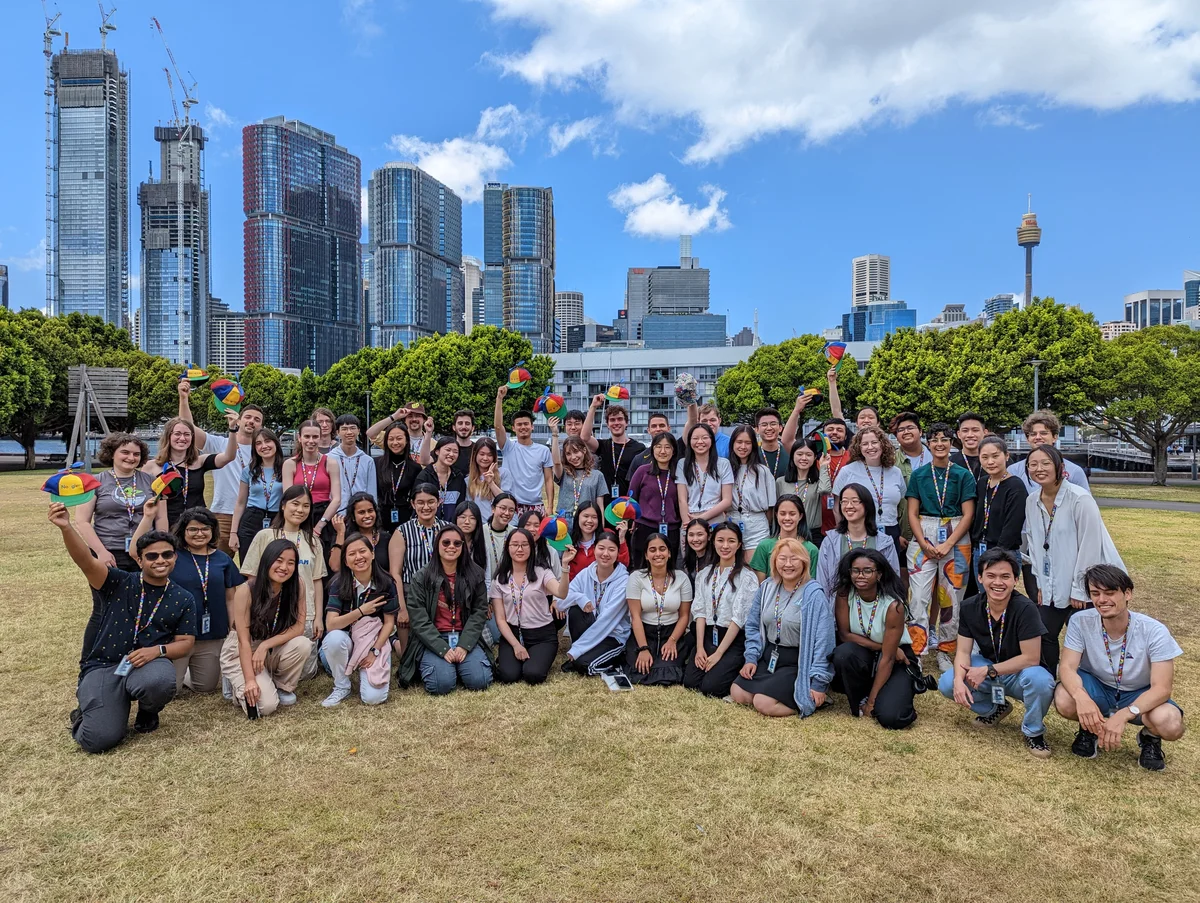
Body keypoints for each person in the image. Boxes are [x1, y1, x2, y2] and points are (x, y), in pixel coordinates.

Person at [52, 502, 196, 753]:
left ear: (175, 557)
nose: (160, 560)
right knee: (98, 740)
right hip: (105, 666)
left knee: (160, 680)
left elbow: (186, 643)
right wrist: (66, 527)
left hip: (148, 664)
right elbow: (86, 561)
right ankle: (88, 709)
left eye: (167, 554)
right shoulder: (116, 582)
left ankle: (147, 711)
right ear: (139, 560)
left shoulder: (183, 598)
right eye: (151, 556)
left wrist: (157, 651)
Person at [1055, 565, 1186, 771]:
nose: (1102, 600)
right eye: (1095, 593)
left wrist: (1125, 714)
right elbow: (1067, 667)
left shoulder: (1154, 631)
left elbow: (1162, 688)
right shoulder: (1080, 621)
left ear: (1127, 594)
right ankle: (1089, 729)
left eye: (1110, 592)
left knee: (1170, 724)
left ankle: (1150, 737)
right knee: (1064, 698)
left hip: (1137, 693)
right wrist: (1082, 698)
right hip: (1097, 686)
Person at [938, 549, 1054, 758]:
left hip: (1020, 673)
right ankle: (994, 709)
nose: (998, 583)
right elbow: (963, 652)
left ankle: (1033, 732)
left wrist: (988, 670)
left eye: (1005, 576)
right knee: (947, 682)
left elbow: (1031, 658)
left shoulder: (1026, 608)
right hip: (988, 667)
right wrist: (958, 680)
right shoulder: (969, 607)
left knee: (1041, 680)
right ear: (980, 578)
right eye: (991, 576)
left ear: (1015, 580)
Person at [1023, 444, 1125, 673]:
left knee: (1089, 638)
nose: (1039, 468)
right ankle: (1048, 680)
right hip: (1051, 582)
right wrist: (1040, 583)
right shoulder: (1031, 501)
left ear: (1060, 467)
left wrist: (1081, 589)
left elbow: (1091, 545)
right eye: (1033, 464)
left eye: (1046, 463)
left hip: (1084, 585)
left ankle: (1092, 680)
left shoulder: (1080, 498)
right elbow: (1035, 545)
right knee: (1045, 634)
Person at [133, 505, 244, 694]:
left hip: (212, 634)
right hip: (176, 635)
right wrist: (148, 517)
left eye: (205, 528)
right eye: (193, 529)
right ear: (183, 531)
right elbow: (136, 552)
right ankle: (173, 671)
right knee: (170, 690)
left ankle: (187, 673)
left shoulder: (223, 559)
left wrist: (234, 626)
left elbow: (230, 597)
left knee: (206, 687)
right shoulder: (171, 555)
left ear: (213, 530)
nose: (199, 533)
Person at [731, 538, 835, 718]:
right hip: (770, 655)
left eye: (794, 559)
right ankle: (771, 689)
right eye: (782, 558)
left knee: (763, 703)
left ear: (804, 562)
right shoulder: (766, 588)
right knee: (737, 693)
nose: (788, 564)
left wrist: (818, 683)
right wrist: (751, 658)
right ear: (774, 561)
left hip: (797, 661)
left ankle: (807, 701)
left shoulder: (814, 594)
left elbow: (824, 640)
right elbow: (753, 626)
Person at [905, 422, 976, 671]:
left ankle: (947, 649)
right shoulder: (919, 474)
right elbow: (912, 513)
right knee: (919, 598)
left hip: (956, 537)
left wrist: (948, 543)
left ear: (951, 442)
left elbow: (968, 514)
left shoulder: (962, 475)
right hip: (924, 533)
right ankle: (917, 651)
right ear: (928, 443)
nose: (939, 444)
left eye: (944, 439)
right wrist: (924, 543)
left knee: (952, 599)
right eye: (934, 439)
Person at [239, 485, 327, 678]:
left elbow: (317, 581)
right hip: (268, 612)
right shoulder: (265, 536)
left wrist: (319, 617)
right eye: (295, 504)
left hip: (304, 614)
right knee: (260, 661)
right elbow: (252, 578)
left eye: (306, 506)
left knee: (306, 673)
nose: (300, 510)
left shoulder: (313, 542)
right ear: (283, 506)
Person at [397, 524, 494, 694]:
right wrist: (442, 649)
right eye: (446, 542)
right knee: (440, 685)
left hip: (465, 636)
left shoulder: (475, 574)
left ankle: (460, 666)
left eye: (457, 543)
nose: (451, 547)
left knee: (481, 681)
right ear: (437, 545)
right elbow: (419, 620)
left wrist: (464, 645)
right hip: (435, 638)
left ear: (463, 547)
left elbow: (479, 613)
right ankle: (444, 668)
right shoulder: (421, 577)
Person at [221, 539, 313, 716]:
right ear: (267, 560)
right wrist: (249, 681)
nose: (284, 567)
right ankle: (237, 683)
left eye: (291, 562)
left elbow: (299, 627)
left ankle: (279, 686)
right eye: (279, 560)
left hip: (270, 645)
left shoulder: (297, 585)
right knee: (265, 707)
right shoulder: (246, 590)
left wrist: (265, 645)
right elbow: (243, 641)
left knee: (303, 644)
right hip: (242, 649)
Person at [831, 549, 918, 729]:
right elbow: (844, 635)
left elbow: (888, 658)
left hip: (897, 661)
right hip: (869, 652)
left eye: (868, 571)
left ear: (879, 574)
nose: (860, 576)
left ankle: (876, 697)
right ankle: (862, 696)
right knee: (842, 654)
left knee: (891, 717)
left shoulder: (893, 605)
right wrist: (882, 647)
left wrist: (871, 704)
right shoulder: (845, 594)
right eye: (855, 570)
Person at [177, 380, 265, 555]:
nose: (251, 422)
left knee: (255, 568)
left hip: (254, 515)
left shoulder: (265, 450)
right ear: (238, 420)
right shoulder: (221, 444)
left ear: (261, 426)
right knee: (217, 566)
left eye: (257, 420)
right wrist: (184, 399)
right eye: (247, 417)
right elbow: (189, 429)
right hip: (223, 514)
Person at [320, 532, 399, 707]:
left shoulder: (386, 583)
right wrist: (361, 611)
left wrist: (374, 651)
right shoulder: (338, 584)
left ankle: (363, 668)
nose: (358, 557)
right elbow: (331, 624)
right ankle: (342, 685)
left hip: (372, 642)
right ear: (346, 561)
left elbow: (389, 623)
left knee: (373, 698)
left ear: (372, 554)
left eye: (362, 551)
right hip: (344, 644)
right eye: (352, 554)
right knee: (334, 639)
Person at [490, 529, 573, 684]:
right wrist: (516, 645)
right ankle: (510, 657)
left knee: (533, 675)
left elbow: (561, 593)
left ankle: (533, 658)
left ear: (532, 548)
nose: (519, 549)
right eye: (515, 545)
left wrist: (565, 567)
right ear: (508, 548)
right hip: (513, 634)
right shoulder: (500, 579)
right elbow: (500, 619)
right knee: (508, 676)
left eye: (524, 545)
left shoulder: (542, 572)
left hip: (542, 635)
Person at [685, 523, 759, 698]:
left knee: (711, 688)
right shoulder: (705, 574)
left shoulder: (747, 577)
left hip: (732, 638)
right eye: (720, 540)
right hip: (709, 635)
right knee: (691, 683)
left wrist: (718, 654)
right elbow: (700, 612)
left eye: (731, 541)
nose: (725, 546)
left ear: (739, 544)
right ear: (713, 542)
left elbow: (738, 618)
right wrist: (700, 647)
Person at [74, 432, 167, 572]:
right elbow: (82, 521)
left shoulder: (153, 481)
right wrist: (100, 552)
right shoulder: (94, 482)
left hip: (146, 549)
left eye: (136, 454)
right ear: (112, 454)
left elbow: (161, 518)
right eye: (125, 452)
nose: (131, 458)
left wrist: (161, 547)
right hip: (109, 551)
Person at [554, 529, 631, 675]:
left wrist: (578, 649)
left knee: (585, 666)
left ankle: (619, 657)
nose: (606, 554)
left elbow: (607, 620)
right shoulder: (586, 573)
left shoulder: (623, 581)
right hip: (591, 631)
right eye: (601, 548)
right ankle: (583, 655)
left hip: (612, 635)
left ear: (618, 552)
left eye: (611, 549)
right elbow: (560, 602)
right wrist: (580, 598)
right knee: (576, 610)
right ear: (594, 549)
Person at [624, 533, 694, 685]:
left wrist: (672, 641)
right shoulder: (636, 577)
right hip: (644, 632)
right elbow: (635, 617)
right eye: (652, 550)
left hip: (671, 633)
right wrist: (643, 648)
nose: (658, 554)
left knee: (669, 673)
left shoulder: (681, 577)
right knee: (640, 669)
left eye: (662, 549)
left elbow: (684, 616)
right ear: (646, 555)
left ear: (669, 553)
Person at [145, 416, 238, 525]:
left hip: (197, 525)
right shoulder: (151, 466)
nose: (182, 438)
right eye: (177, 434)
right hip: (166, 525)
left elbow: (229, 456)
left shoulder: (200, 461)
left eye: (187, 434)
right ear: (168, 436)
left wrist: (232, 430)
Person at [815, 484, 900, 599]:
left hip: (875, 609)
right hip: (837, 608)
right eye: (844, 501)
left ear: (867, 505)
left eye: (855, 501)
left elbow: (892, 582)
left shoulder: (884, 543)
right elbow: (823, 582)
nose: (848, 506)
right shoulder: (830, 541)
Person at [969, 436, 1026, 596]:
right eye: (985, 457)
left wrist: (997, 557)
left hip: (1004, 553)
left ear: (1006, 456)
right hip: (979, 551)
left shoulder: (1015, 486)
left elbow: (1012, 527)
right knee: (983, 599)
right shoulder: (982, 483)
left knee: (999, 600)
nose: (990, 462)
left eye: (995, 456)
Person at [833, 425, 906, 546]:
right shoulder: (847, 471)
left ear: (882, 444)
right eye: (865, 444)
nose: (870, 447)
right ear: (859, 447)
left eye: (874, 442)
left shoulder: (895, 472)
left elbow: (901, 505)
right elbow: (837, 508)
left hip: (891, 530)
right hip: (859, 531)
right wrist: (844, 532)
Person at [281, 420, 342, 566]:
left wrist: (320, 525)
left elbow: (337, 498)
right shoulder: (290, 464)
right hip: (298, 516)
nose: (311, 441)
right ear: (299, 438)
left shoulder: (330, 463)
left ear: (320, 438)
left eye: (315, 437)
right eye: (307, 436)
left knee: (323, 565)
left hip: (323, 517)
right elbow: (287, 497)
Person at [387, 483, 450, 615]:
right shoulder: (402, 532)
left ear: (439, 502)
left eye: (431, 502)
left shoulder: (448, 529)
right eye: (420, 502)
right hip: (412, 593)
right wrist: (402, 608)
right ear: (413, 504)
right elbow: (395, 574)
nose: (426, 507)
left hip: (443, 592)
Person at [494, 386, 553, 519]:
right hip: (512, 505)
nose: (523, 427)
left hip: (536, 505)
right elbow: (498, 426)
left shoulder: (543, 450)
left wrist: (549, 506)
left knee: (536, 539)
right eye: (519, 425)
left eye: (526, 424)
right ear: (513, 428)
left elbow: (549, 480)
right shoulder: (508, 447)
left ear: (532, 426)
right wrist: (499, 398)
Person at [627, 432, 681, 569]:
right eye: (658, 447)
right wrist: (631, 520)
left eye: (667, 447)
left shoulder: (679, 474)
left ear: (674, 450)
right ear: (652, 449)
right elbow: (631, 499)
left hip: (671, 529)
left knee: (669, 569)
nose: (662, 451)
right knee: (642, 568)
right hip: (645, 527)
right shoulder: (642, 471)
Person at [230, 428, 284, 562]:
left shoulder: (287, 467)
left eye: (267, 441)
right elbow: (240, 502)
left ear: (276, 443)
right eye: (258, 443)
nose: (264, 446)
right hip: (251, 519)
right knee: (249, 565)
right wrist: (233, 533)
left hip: (277, 519)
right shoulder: (249, 470)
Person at [1007, 410, 1090, 492]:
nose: (1038, 437)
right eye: (1033, 434)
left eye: (1043, 433)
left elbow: (1086, 502)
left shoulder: (1074, 471)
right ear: (1027, 439)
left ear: (1055, 437)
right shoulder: (1014, 471)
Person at [581, 396, 646, 498]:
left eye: (620, 419)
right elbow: (585, 437)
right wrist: (593, 406)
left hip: (629, 501)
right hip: (605, 501)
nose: (616, 423)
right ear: (607, 424)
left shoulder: (639, 448)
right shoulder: (603, 445)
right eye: (612, 420)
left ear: (626, 423)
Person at [727, 424, 777, 557]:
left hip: (757, 525)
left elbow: (771, 507)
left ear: (753, 445)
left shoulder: (762, 471)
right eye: (739, 442)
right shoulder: (725, 469)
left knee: (755, 567)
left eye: (747, 443)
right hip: (732, 522)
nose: (743, 447)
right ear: (732, 443)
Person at [750, 494, 819, 581]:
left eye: (792, 514)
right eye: (782, 514)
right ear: (776, 515)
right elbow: (759, 586)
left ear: (800, 516)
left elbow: (811, 584)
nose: (787, 518)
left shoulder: (811, 549)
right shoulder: (764, 546)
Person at [676, 423, 734, 526]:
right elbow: (682, 499)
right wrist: (688, 523)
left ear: (712, 440)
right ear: (689, 441)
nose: (700, 442)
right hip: (689, 518)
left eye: (705, 438)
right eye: (695, 438)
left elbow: (727, 500)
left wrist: (701, 518)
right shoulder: (683, 464)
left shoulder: (723, 464)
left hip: (715, 518)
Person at [776, 438, 831, 544]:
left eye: (809, 455)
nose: (804, 458)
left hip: (812, 534)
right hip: (787, 532)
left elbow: (825, 490)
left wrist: (823, 465)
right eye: (799, 454)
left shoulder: (818, 481)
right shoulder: (781, 482)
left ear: (815, 457)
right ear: (792, 456)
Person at [553, 430, 608, 529]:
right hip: (564, 519)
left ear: (584, 450)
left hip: (587, 520)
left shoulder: (597, 475)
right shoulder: (564, 473)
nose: (573, 457)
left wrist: (601, 526)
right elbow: (556, 462)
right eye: (568, 454)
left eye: (576, 451)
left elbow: (600, 504)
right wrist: (555, 435)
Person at [330, 492, 392, 574]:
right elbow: (335, 567)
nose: (367, 515)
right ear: (353, 516)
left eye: (370, 511)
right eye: (361, 512)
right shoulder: (344, 536)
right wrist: (341, 533)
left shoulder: (386, 538)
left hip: (382, 585)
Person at [567, 501, 630, 579]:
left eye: (594, 517)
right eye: (586, 516)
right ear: (578, 517)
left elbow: (623, 565)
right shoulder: (570, 542)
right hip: (578, 588)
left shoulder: (607, 536)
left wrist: (621, 538)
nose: (589, 520)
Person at [374, 421, 419, 528]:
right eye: (391, 439)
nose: (395, 443)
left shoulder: (414, 467)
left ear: (407, 440)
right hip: (379, 517)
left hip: (405, 517)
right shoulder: (376, 463)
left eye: (399, 438)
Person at [329, 414, 376, 516]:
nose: (349, 432)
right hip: (335, 514)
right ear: (338, 432)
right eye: (344, 429)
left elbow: (372, 492)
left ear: (358, 431)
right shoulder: (329, 459)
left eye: (352, 428)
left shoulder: (367, 461)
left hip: (361, 515)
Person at [366, 403, 433, 467]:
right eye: (410, 416)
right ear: (404, 420)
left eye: (418, 416)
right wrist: (394, 417)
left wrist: (429, 432)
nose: (414, 419)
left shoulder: (433, 443)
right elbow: (370, 433)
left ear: (424, 419)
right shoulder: (394, 438)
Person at [418, 436, 467, 522]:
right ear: (437, 451)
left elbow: (461, 506)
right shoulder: (425, 476)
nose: (451, 454)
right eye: (448, 450)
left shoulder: (458, 477)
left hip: (452, 529)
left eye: (455, 452)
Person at [465, 437, 503, 522]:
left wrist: (491, 483)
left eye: (489, 455)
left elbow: (506, 501)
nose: (485, 458)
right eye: (482, 454)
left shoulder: (503, 473)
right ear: (475, 454)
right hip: (479, 527)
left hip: (499, 525)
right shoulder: (468, 480)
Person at [482, 492, 517, 580]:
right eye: (503, 508)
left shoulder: (515, 533)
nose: (507, 513)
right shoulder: (481, 532)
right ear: (493, 509)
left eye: (511, 510)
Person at [889, 411, 931, 476]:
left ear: (920, 432)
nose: (906, 432)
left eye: (910, 428)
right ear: (896, 437)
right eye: (901, 430)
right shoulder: (891, 461)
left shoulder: (934, 455)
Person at [950, 412, 986, 482]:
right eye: (965, 431)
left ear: (985, 432)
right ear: (959, 434)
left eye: (975, 430)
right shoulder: (950, 463)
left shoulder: (995, 462)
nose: (970, 435)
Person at [455, 500, 489, 574]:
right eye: (463, 517)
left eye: (472, 518)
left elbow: (486, 576)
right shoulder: (449, 543)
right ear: (456, 518)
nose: (467, 522)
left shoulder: (482, 546)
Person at [754, 408, 788, 481]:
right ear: (757, 429)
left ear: (780, 428)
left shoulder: (789, 452)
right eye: (764, 425)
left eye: (773, 424)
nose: (769, 428)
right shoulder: (752, 454)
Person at [681, 519, 714, 589]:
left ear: (709, 536)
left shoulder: (716, 561)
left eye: (700, 534)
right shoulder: (690, 559)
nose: (695, 539)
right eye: (691, 535)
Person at [448, 409, 477, 478]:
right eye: (460, 423)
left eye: (467, 423)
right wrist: (429, 433)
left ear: (472, 428)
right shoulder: (446, 449)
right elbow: (425, 461)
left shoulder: (478, 449)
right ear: (454, 427)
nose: (464, 427)